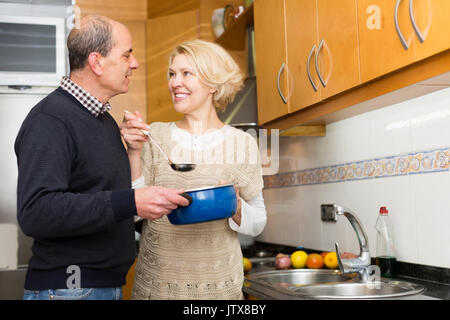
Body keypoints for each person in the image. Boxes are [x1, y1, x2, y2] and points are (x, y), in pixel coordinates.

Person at [14, 15, 189, 300]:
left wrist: (134, 160)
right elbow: (37, 211)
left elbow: (103, 201)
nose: (134, 64)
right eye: (126, 55)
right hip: (70, 288)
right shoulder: (51, 119)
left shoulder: (103, 120)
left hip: (95, 287)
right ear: (97, 63)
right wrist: (131, 201)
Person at [120, 39, 267, 299]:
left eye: (187, 73)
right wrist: (133, 152)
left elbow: (258, 222)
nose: (175, 82)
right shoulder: (155, 136)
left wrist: (234, 205)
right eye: (172, 74)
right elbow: (132, 215)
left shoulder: (242, 143)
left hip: (219, 289)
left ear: (212, 84)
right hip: (158, 287)